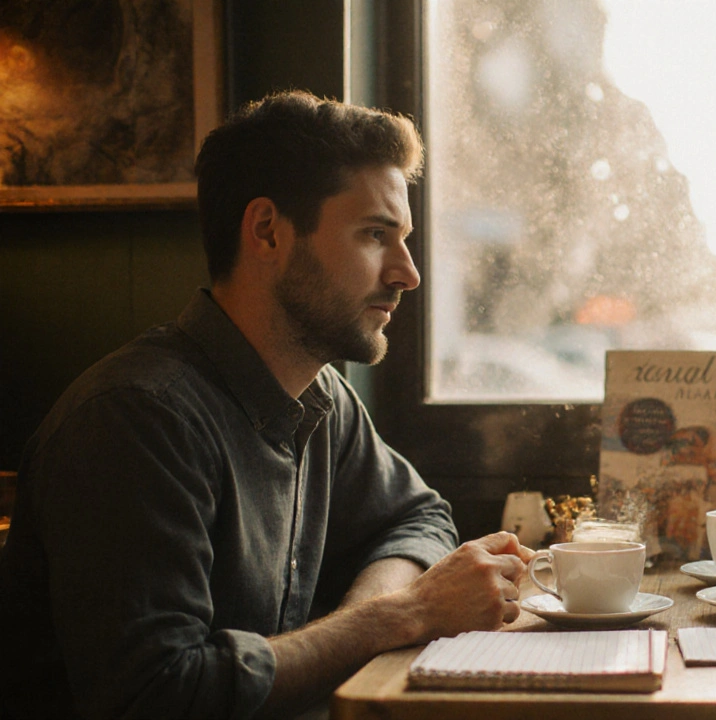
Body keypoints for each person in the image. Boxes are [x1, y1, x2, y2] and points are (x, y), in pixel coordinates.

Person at [0, 91, 534, 719]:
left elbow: (416, 518)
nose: (408, 272)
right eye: (374, 234)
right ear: (266, 231)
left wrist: (371, 617)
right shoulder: (135, 419)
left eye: (404, 239)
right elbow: (159, 697)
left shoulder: (321, 395)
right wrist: (404, 614)